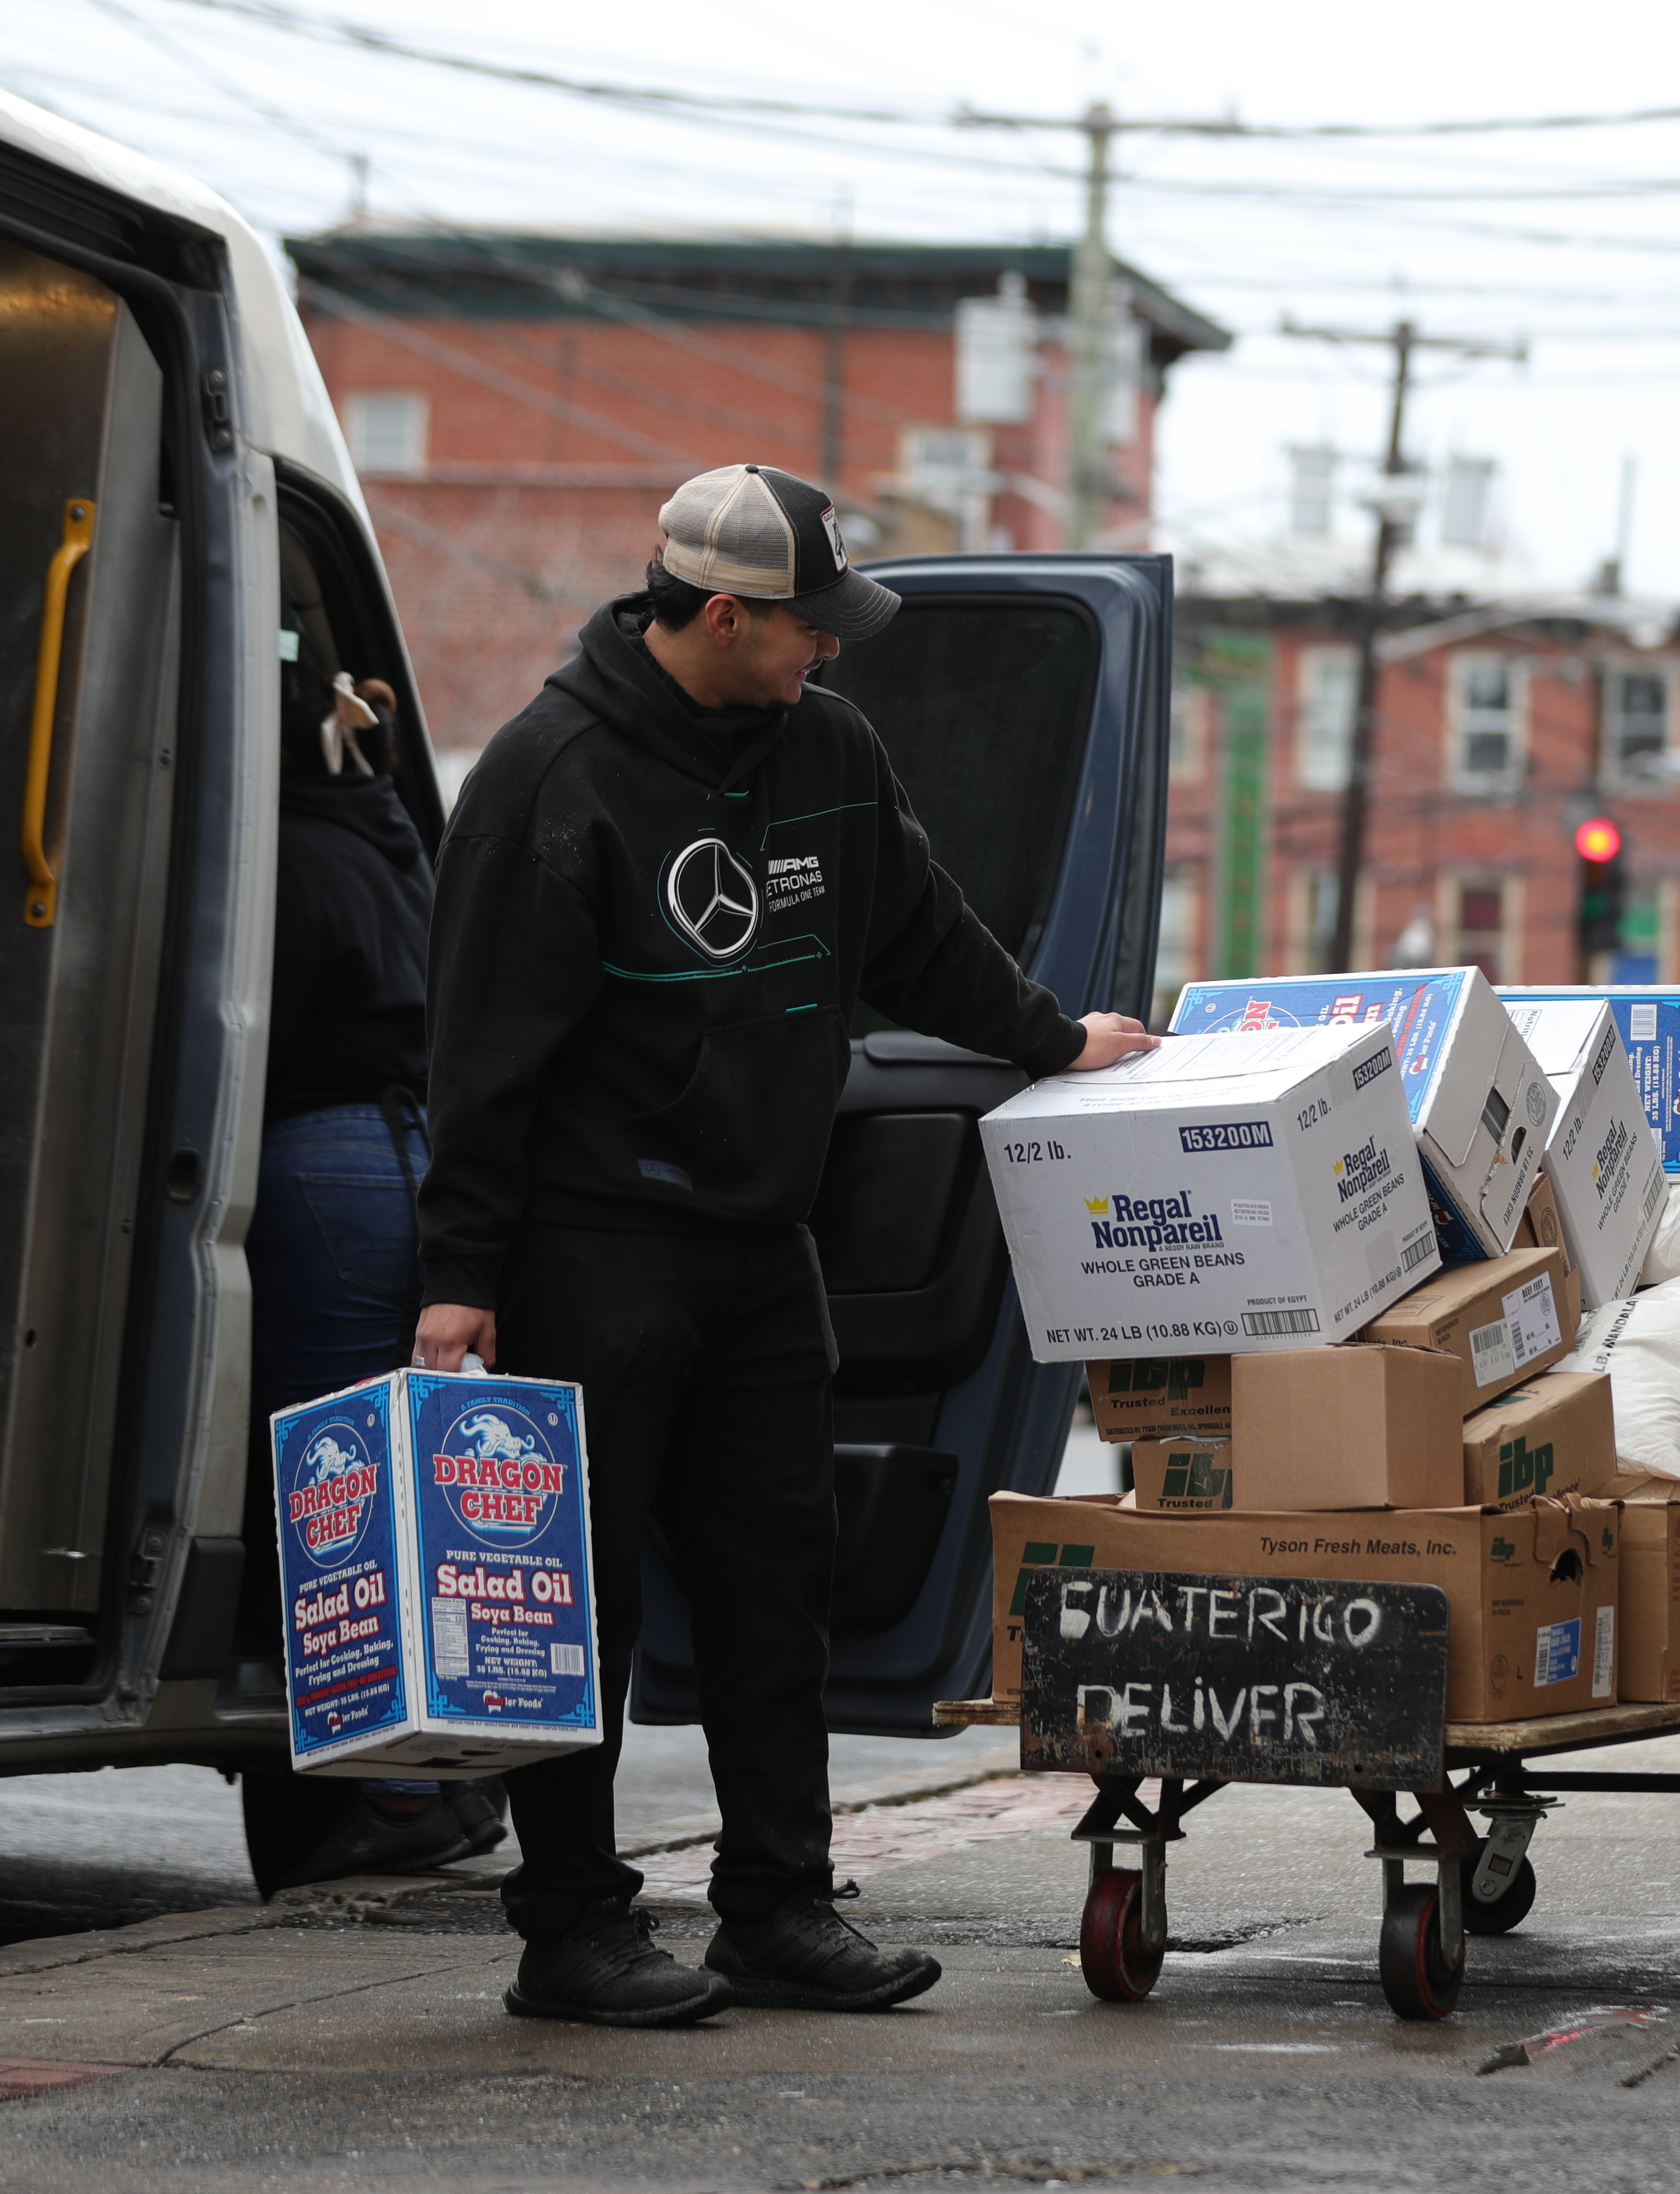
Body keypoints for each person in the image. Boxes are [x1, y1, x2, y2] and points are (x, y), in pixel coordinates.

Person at [410, 462, 1157, 2027]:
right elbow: (480, 1054)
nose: (832, 651)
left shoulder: (825, 743)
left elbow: (919, 928)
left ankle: (776, 1906)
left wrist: (1051, 1037)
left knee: (775, 1579)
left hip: (762, 1243)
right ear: (726, 611)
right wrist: (459, 1278)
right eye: (810, 627)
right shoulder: (554, 778)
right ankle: (572, 1932)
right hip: (591, 1246)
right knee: (581, 1603)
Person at [238, 598, 505, 1890]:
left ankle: (384, 1791)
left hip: (318, 1160)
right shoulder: (390, 828)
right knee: (385, 1479)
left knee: (328, 1494)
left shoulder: (274, 850)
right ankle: (420, 1778)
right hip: (409, 1156)